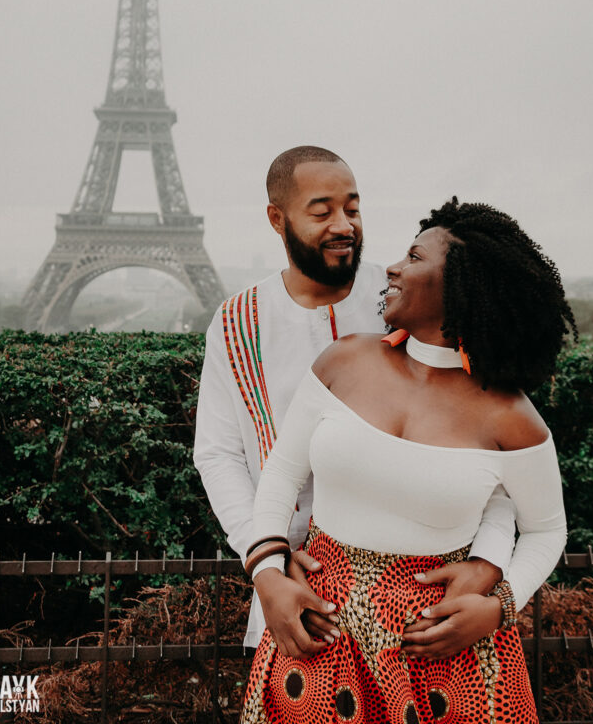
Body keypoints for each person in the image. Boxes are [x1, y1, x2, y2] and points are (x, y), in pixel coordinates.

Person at [241, 198, 577, 724]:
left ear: (463, 286)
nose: (393, 268)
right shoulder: (344, 360)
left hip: (440, 648)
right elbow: (282, 473)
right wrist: (266, 572)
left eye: (415, 257)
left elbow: (546, 529)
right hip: (320, 632)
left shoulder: (512, 417)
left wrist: (499, 608)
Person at [194, 151, 515, 648]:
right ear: (277, 218)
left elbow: (492, 446)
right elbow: (219, 454)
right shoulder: (236, 322)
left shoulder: (413, 299)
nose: (344, 225)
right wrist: (266, 563)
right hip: (296, 599)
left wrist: (488, 560)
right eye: (322, 212)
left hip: (424, 597)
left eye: (353, 209)